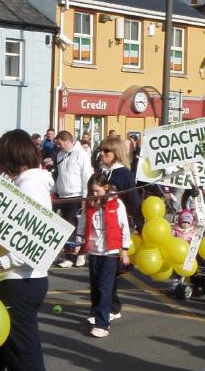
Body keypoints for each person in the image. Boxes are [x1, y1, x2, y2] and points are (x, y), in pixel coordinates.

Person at [0, 129, 53, 371]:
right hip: (17, 280)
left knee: (22, 354)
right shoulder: (27, 182)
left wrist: (1, 264)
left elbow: (37, 240)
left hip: (20, 281)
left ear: (8, 156)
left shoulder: (29, 186)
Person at [77, 173, 130, 338]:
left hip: (110, 252)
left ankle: (103, 324)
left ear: (106, 188)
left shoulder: (117, 203)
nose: (94, 194)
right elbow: (82, 225)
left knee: (104, 287)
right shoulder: (89, 204)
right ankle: (96, 312)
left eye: (97, 191)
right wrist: (78, 244)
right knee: (95, 286)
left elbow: (124, 227)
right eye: (91, 191)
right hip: (94, 251)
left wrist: (125, 251)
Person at [98, 137, 143, 319]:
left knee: (108, 272)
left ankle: (112, 307)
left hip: (117, 227)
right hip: (99, 228)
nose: (102, 154)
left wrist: (141, 225)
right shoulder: (101, 172)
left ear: (116, 154)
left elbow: (133, 202)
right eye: (100, 150)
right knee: (100, 271)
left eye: (106, 151)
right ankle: (104, 306)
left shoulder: (124, 174)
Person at [54, 131, 92, 268]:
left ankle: (80, 253)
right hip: (63, 195)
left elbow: (86, 176)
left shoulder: (81, 154)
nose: (59, 146)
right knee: (67, 227)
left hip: (76, 195)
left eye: (60, 143)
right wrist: (54, 190)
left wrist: (85, 196)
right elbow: (60, 175)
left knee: (76, 226)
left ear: (67, 141)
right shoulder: (60, 155)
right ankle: (70, 255)